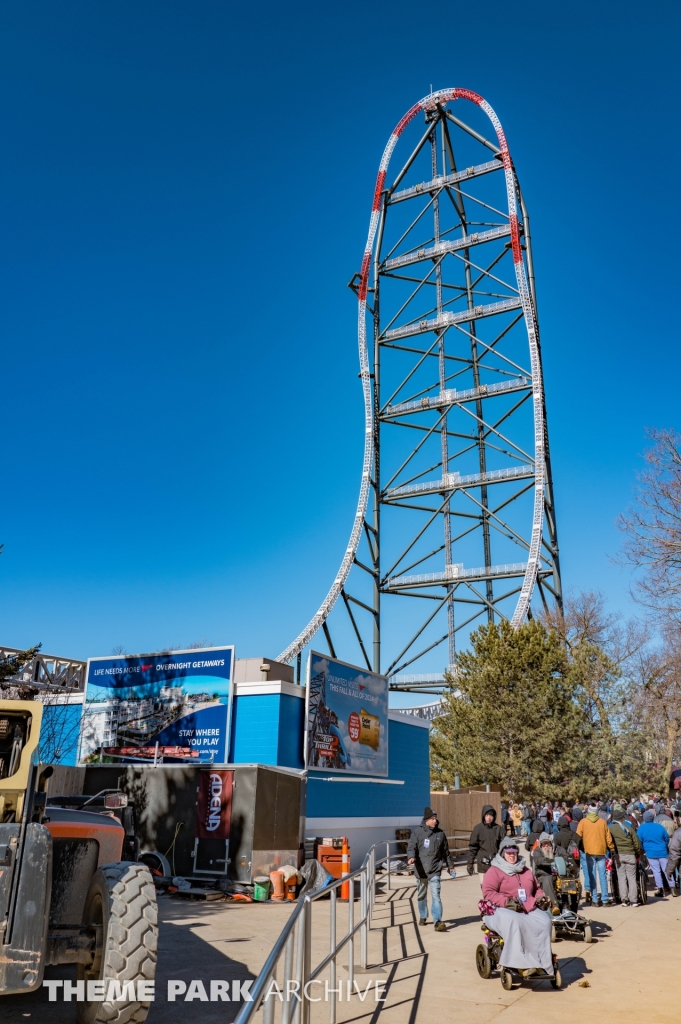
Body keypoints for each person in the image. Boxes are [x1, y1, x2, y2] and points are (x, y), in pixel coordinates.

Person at [481, 837, 554, 976]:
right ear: (503, 853)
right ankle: (519, 964)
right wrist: (507, 902)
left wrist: (540, 897)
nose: (512, 855)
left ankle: (543, 963)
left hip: (527, 907)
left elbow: (536, 888)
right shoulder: (494, 870)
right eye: (508, 853)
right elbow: (488, 893)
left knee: (545, 921)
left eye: (514, 852)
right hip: (501, 909)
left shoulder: (525, 869)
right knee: (515, 921)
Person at [407, 806, 456, 930]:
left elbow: (446, 852)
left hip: (435, 869)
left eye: (436, 818)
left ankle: (437, 921)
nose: (435, 820)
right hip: (421, 870)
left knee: (436, 896)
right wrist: (411, 857)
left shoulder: (440, 834)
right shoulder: (417, 832)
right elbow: (411, 846)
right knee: (421, 895)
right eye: (433, 818)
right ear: (426, 820)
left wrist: (450, 866)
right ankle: (423, 916)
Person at [577, 802, 615, 906]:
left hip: (589, 851)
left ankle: (594, 899)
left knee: (592, 875)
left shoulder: (583, 822)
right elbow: (608, 837)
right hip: (601, 851)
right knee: (602, 875)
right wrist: (611, 848)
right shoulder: (602, 822)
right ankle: (605, 899)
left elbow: (578, 836)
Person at [609, 804, 642, 907]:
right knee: (631, 878)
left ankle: (624, 900)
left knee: (621, 878)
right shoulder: (629, 828)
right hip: (630, 855)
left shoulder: (610, 829)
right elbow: (637, 843)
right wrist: (636, 853)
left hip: (619, 856)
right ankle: (634, 901)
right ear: (622, 818)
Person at [638, 809, 673, 898]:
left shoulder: (641, 828)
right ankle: (673, 888)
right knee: (666, 869)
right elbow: (666, 838)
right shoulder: (659, 826)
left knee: (656, 871)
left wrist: (643, 849)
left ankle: (660, 889)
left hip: (650, 853)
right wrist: (663, 846)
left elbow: (639, 841)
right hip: (662, 851)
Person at [467, 805, 506, 876]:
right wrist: (470, 863)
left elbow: (505, 846)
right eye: (487, 815)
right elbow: (473, 848)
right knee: (485, 886)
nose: (489, 817)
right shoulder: (478, 829)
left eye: (491, 815)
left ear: (494, 817)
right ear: (484, 815)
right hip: (483, 865)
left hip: (497, 864)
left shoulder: (498, 829)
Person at [531, 832, 560, 911]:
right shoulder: (537, 851)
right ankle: (554, 906)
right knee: (547, 879)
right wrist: (552, 862)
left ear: (551, 843)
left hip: (557, 875)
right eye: (544, 844)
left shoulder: (557, 849)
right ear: (541, 845)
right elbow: (539, 861)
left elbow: (566, 857)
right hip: (543, 876)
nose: (546, 845)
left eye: (548, 843)